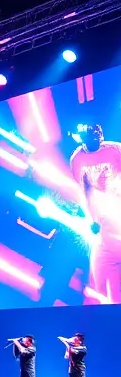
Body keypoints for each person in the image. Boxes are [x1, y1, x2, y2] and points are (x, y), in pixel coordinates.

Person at [70, 122, 121, 302]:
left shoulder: (115, 149)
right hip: (103, 218)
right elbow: (83, 190)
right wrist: (91, 217)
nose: (93, 144)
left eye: (96, 140)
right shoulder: (77, 159)